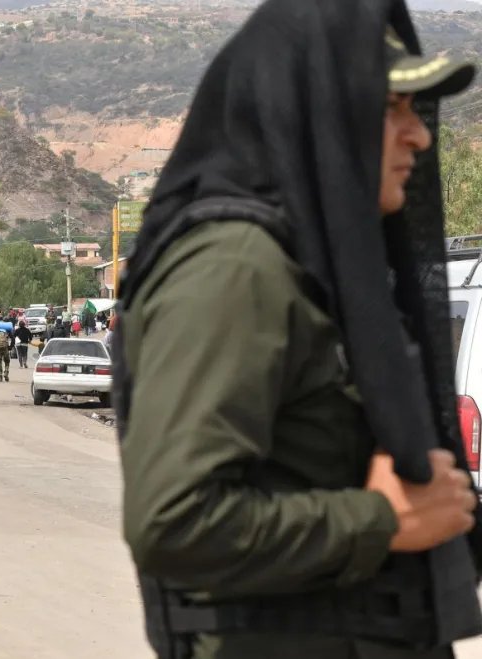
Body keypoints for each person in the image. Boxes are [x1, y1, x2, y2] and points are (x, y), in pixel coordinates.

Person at [112, 4, 481, 658]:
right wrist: (379, 521)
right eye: (391, 106)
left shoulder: (327, 264)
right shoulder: (236, 267)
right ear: (318, 112)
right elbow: (173, 519)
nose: (418, 136)